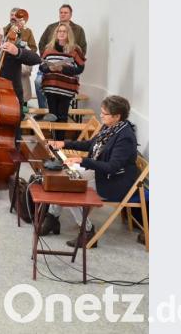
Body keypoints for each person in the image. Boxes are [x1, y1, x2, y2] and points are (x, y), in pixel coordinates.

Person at [42, 95, 139, 247]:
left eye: (104, 113)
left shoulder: (125, 137)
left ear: (117, 116)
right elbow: (90, 145)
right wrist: (63, 143)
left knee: (71, 189)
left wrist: (82, 160)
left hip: (114, 182)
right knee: (63, 180)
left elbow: (112, 167)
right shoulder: (110, 127)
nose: (101, 115)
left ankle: (87, 231)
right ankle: (52, 218)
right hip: (101, 173)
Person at [39, 22, 86, 139]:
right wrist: (48, 67)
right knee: (52, 115)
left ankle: (60, 143)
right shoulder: (48, 48)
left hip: (66, 88)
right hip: (51, 87)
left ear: (68, 34)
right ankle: (54, 142)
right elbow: (41, 66)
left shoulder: (75, 49)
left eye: (64, 31)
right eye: (59, 31)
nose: (61, 33)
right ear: (56, 33)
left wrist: (63, 68)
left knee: (62, 116)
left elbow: (80, 68)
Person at [36, 4, 87, 109]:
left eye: (65, 13)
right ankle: (44, 108)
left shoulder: (78, 29)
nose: (63, 15)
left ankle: (60, 111)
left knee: (64, 88)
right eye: (61, 12)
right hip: (50, 66)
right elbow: (42, 44)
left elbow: (83, 48)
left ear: (71, 14)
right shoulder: (51, 27)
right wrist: (49, 58)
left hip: (68, 66)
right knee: (38, 82)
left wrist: (69, 60)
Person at [3, 8, 38, 105]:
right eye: (11, 15)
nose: (13, 17)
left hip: (21, 63)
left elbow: (33, 49)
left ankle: (23, 106)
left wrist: (23, 50)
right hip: (6, 63)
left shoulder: (27, 31)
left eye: (16, 15)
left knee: (22, 93)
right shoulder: (3, 30)